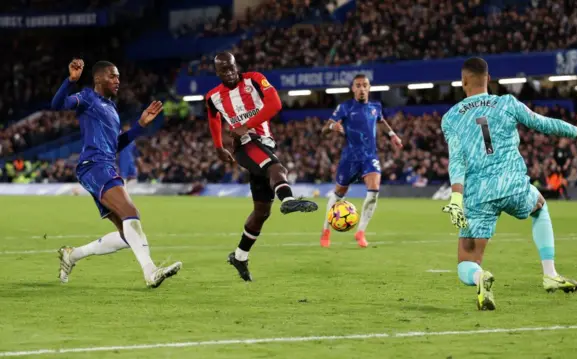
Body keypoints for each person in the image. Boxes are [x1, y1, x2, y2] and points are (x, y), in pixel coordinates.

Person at [441, 57, 577, 310]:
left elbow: (457, 160)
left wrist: (456, 199)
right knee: (539, 206)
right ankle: (550, 274)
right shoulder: (506, 103)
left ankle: (479, 277)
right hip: (513, 185)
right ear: (489, 79)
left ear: (463, 81)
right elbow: (545, 124)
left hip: (478, 193)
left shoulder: (451, 118)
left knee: (466, 260)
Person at [52, 58, 182, 288]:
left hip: (105, 166)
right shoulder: (87, 98)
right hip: (94, 165)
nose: (117, 80)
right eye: (112, 76)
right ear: (98, 78)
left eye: (118, 76)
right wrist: (69, 81)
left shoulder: (112, 108)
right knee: (131, 211)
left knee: (127, 233)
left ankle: (72, 255)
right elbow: (57, 104)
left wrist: (140, 125)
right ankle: (150, 272)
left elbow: (115, 145)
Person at [205, 52, 318, 282]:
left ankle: (239, 256)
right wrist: (218, 147)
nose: (229, 72)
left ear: (236, 65)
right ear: (217, 73)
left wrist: (245, 125)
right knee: (276, 168)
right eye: (223, 70)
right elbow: (213, 118)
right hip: (244, 146)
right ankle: (288, 201)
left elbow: (275, 103)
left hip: (263, 141)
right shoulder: (213, 96)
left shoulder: (254, 79)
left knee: (261, 212)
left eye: (231, 67)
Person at [319, 74, 403, 248]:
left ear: (369, 87)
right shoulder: (345, 107)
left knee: (373, 193)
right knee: (338, 194)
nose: (362, 88)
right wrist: (332, 127)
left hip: (370, 156)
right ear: (353, 89)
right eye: (358, 85)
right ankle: (326, 230)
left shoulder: (375, 106)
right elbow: (323, 130)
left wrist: (392, 134)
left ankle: (361, 232)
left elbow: (381, 121)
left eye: (365, 85)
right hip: (350, 158)